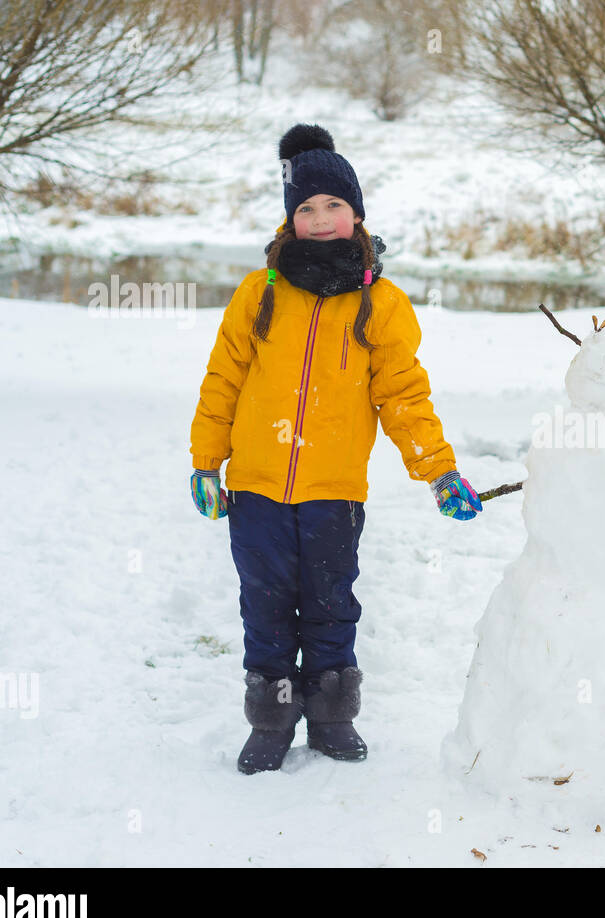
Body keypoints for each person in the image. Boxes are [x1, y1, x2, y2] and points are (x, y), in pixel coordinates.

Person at [188, 123, 483, 774]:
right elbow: (224, 379)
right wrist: (206, 461)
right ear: (290, 218)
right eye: (306, 208)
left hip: (334, 493)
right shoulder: (260, 293)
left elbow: (403, 395)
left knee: (329, 606)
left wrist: (439, 471)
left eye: (334, 206)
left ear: (357, 213)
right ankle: (271, 719)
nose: (321, 219)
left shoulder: (380, 304)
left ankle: (330, 716)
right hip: (258, 489)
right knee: (264, 608)